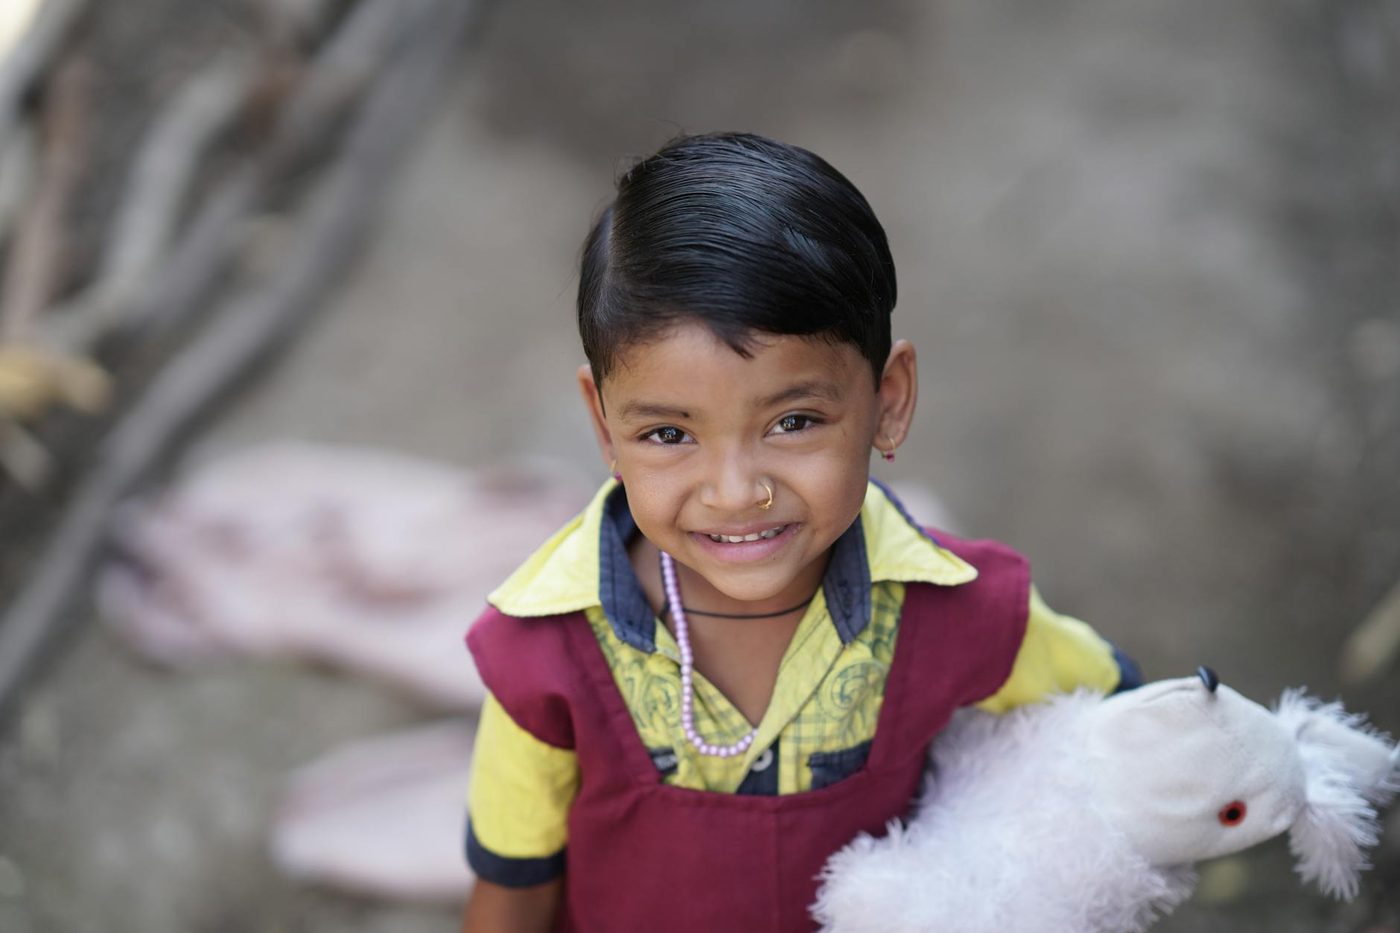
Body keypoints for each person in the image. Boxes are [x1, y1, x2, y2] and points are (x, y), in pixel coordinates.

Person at [459, 132, 1140, 933]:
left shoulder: (960, 608)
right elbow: (513, 885)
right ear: (604, 426)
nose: (735, 492)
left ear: (889, 401)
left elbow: (1127, 724)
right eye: (669, 434)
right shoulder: (544, 649)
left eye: (793, 421)